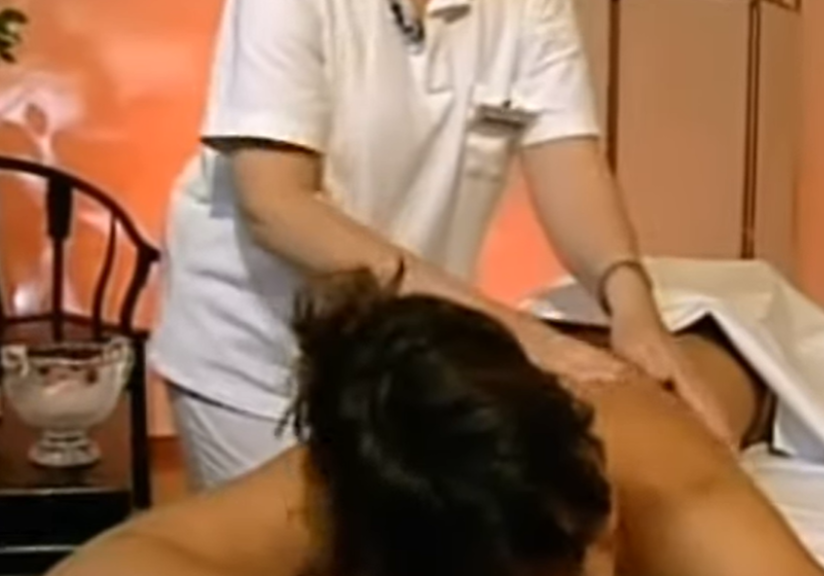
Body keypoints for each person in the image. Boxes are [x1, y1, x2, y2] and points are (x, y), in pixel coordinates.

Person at [16, 270, 824, 576]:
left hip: (718, 330)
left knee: (720, 341)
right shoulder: (364, 476)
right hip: (533, 340)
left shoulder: (657, 466)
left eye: (596, 530)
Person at [150, 0, 727, 489]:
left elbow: (567, 158)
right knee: (284, 564)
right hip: (257, 344)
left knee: (403, 560)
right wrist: (519, 336)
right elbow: (277, 206)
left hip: (401, 335)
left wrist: (632, 304)